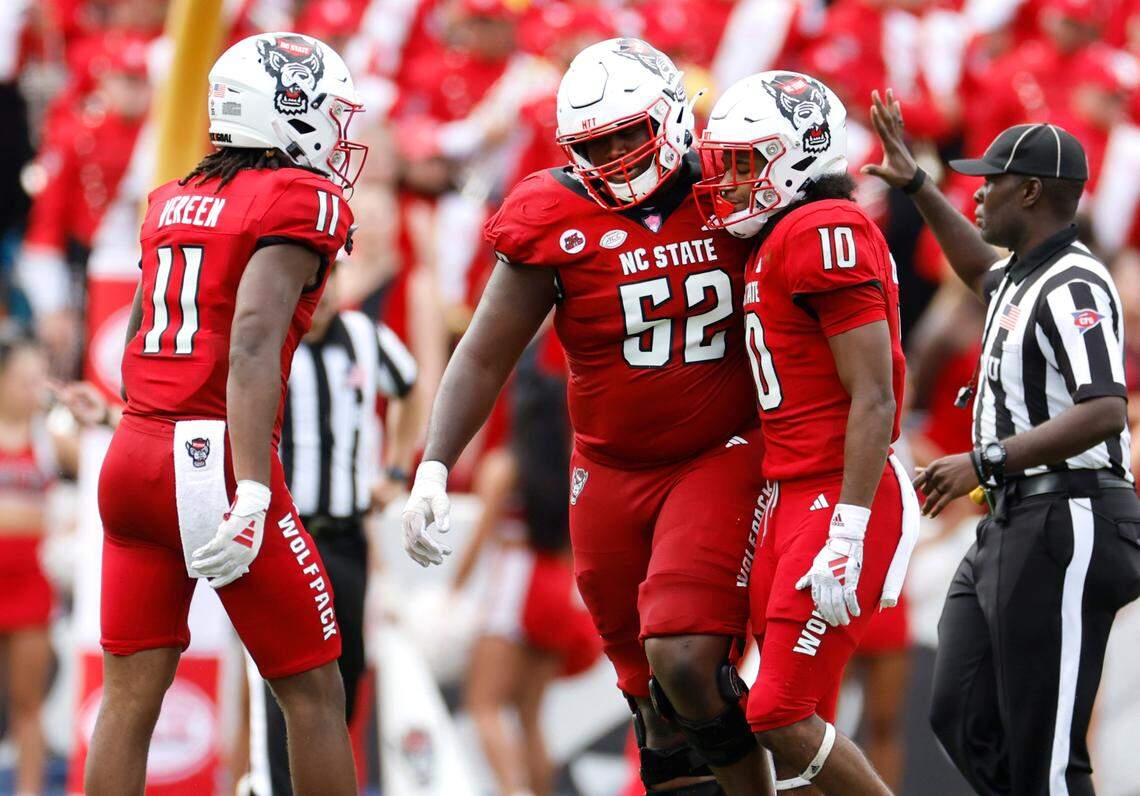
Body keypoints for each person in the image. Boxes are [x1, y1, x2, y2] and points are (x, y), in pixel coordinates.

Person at [402, 37, 772, 796]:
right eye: (597, 144)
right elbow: (481, 353)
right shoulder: (554, 210)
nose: (617, 156)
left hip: (718, 451)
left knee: (684, 655)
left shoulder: (735, 186)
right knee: (652, 706)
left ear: (671, 115)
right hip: (605, 472)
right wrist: (435, 462)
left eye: (630, 134)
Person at [85, 32, 365, 796]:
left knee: (128, 697)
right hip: (211, 458)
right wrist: (251, 490)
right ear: (286, 109)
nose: (340, 132)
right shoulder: (297, 197)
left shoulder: (171, 198)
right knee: (313, 691)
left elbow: (145, 325)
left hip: (134, 448)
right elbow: (249, 341)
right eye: (328, 112)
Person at [865, 90, 1140, 795]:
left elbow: (1106, 410)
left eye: (990, 180)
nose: (978, 192)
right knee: (961, 714)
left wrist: (985, 458)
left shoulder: (1074, 282)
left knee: (1045, 752)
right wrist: (920, 187)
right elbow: (976, 271)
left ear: (1031, 190)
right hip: (1017, 519)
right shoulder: (1026, 275)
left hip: (1069, 516)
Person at [692, 70, 917, 794]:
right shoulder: (781, 234)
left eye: (745, 162)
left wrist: (847, 529)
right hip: (793, 490)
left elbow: (875, 397)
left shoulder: (823, 229)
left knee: (779, 714)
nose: (727, 181)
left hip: (835, 493)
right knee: (797, 720)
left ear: (801, 154)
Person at [247, 269, 418, 796]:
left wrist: (395, 469)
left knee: (349, 667)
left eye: (325, 280)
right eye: (304, 281)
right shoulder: (267, 340)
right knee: (288, 675)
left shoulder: (368, 337)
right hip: (286, 535)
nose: (315, 296)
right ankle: (274, 786)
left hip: (346, 534)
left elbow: (412, 388)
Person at [452, 331, 601, 796]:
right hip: (558, 585)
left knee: (485, 706)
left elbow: (477, 546)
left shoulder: (505, 466)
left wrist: (449, 594)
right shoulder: (570, 465)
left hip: (516, 584)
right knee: (531, 717)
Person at [0, 337, 76, 796]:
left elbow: (106, 466)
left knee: (28, 706)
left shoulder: (50, 437)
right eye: (23, 380)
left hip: (29, 586)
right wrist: (41, 516)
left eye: (38, 379)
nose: (33, 389)